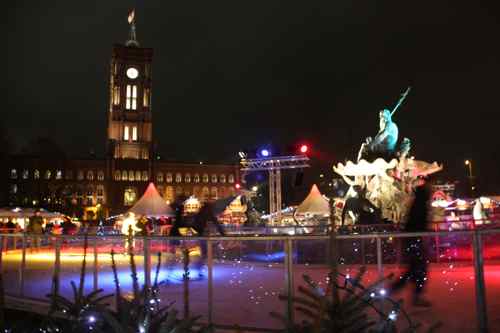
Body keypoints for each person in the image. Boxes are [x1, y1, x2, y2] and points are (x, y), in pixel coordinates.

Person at [390, 178, 432, 307]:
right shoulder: (420, 204)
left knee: (414, 269)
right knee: (417, 269)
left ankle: (396, 289)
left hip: (413, 240)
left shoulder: (418, 203)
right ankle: (404, 292)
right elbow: (417, 223)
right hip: (414, 240)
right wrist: (420, 237)